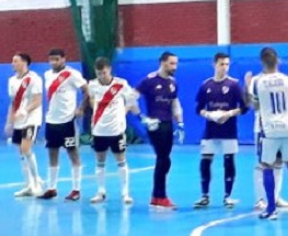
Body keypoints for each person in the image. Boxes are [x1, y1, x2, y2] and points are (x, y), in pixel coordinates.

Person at [252, 47, 288, 220]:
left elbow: (255, 106)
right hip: (287, 127)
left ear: (262, 62)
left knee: (267, 166)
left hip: (269, 129)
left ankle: (271, 208)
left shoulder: (258, 82)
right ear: (277, 60)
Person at [194, 52, 247, 209]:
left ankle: (227, 196)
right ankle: (204, 196)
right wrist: (209, 115)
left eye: (227, 64)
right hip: (210, 131)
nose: (224, 67)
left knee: (229, 161)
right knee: (205, 161)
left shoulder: (234, 85)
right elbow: (199, 109)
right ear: (214, 65)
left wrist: (228, 114)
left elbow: (244, 108)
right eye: (221, 64)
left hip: (229, 131)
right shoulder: (206, 85)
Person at [87, 57, 139, 204]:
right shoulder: (92, 85)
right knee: (100, 161)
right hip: (99, 130)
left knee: (121, 160)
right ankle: (100, 192)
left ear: (109, 69)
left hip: (116, 130)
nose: (101, 76)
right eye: (98, 73)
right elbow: (92, 101)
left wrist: (123, 112)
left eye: (104, 72)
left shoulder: (121, 84)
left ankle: (125, 193)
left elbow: (131, 101)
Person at [138, 52, 184, 209]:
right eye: (172, 63)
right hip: (155, 124)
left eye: (176, 64)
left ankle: (156, 197)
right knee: (162, 158)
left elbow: (175, 104)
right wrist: (142, 117)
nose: (175, 67)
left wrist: (180, 123)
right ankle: (160, 196)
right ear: (163, 63)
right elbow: (131, 97)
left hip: (168, 123)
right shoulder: (149, 80)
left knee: (165, 160)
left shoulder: (173, 82)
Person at [41, 48, 88, 202]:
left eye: (56, 59)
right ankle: (51, 188)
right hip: (51, 121)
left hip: (68, 121)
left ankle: (76, 190)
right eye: (51, 59)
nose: (53, 62)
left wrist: (81, 108)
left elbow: (87, 90)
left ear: (63, 59)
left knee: (73, 153)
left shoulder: (72, 74)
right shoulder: (47, 75)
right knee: (52, 153)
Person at [6, 53, 44, 198]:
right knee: (21, 152)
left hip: (31, 119)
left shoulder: (34, 79)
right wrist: (9, 121)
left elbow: (37, 100)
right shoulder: (11, 81)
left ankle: (36, 182)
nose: (12, 64)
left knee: (25, 148)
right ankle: (28, 185)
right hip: (18, 121)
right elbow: (13, 103)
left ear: (24, 62)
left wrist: (24, 111)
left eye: (15, 61)